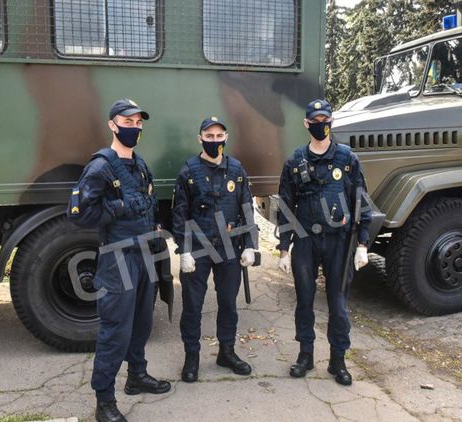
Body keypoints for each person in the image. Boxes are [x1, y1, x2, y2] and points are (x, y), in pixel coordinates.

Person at [68, 98, 170, 422]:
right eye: (128, 122)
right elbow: (78, 215)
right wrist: (117, 208)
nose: (135, 128)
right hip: (118, 260)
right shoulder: (100, 167)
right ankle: (105, 401)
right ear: (112, 125)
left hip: (144, 255)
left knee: (142, 324)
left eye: (138, 123)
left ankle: (136, 376)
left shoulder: (140, 165)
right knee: (115, 331)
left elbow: (148, 203)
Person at [275, 99, 371, 386]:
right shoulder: (295, 162)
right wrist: (283, 248)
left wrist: (363, 244)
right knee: (304, 301)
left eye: (324, 120)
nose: (321, 125)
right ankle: (305, 356)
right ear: (306, 124)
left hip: (339, 242)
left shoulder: (347, 159)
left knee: (338, 305)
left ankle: (337, 360)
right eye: (315, 121)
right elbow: (286, 207)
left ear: (331, 122)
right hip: (305, 241)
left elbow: (360, 201)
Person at [171, 116, 258, 383]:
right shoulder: (188, 171)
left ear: (226, 138)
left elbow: (247, 208)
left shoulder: (236, 169)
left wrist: (250, 245)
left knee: (228, 303)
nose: (214, 140)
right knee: (192, 306)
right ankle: (192, 357)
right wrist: (184, 250)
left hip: (230, 248)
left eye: (219, 136)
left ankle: (226, 352)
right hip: (198, 248)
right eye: (209, 136)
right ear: (200, 139)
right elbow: (180, 213)